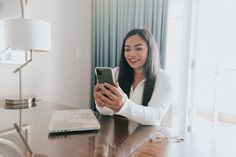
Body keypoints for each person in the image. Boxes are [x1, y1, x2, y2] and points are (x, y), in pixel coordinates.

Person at [94, 29, 173, 126]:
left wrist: (124, 105)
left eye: (138, 48)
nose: (131, 54)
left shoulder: (164, 79)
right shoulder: (116, 73)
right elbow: (107, 112)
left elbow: (155, 116)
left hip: (147, 138)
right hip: (118, 136)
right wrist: (101, 104)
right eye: (127, 49)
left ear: (150, 50)